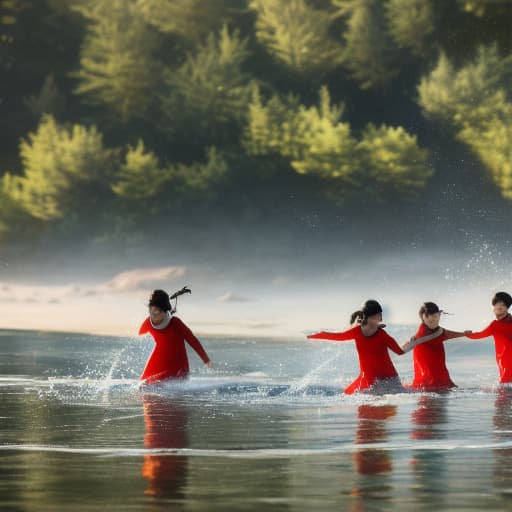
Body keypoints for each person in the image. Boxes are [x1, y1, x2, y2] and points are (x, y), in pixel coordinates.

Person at [307, 299, 438, 394]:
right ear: (367, 317)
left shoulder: (383, 335)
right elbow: (338, 336)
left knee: (381, 411)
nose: (380, 317)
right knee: (349, 398)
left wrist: (415, 341)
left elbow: (399, 351)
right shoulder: (357, 331)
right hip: (368, 378)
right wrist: (316, 335)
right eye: (376, 315)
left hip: (388, 379)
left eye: (380, 315)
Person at [139, 289, 212, 383]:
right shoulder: (147, 323)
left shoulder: (176, 323)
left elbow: (192, 340)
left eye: (159, 311)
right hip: (159, 358)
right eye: (153, 311)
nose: (155, 314)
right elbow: (139, 337)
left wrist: (206, 359)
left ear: (165, 311)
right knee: (142, 383)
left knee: (156, 383)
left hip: (178, 364)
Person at [405, 302, 467, 391]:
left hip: (442, 380)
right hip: (427, 383)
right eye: (432, 320)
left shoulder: (439, 332)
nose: (435, 323)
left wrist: (465, 334)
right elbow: (412, 342)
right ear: (424, 317)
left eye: (437, 319)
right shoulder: (421, 335)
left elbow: (449, 334)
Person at [466, 291, 512, 384]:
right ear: (493, 306)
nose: (499, 306)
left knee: (504, 390)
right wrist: (465, 334)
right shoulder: (494, 325)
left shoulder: (497, 325)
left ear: (507, 308)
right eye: (497, 303)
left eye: (503, 304)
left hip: (508, 362)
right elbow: (479, 335)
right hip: (503, 361)